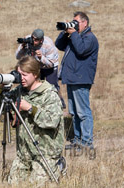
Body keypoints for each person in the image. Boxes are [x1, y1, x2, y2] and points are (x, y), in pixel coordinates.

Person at [0, 56, 65, 184]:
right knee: (14, 185)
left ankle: (59, 165)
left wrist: (31, 108)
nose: (21, 79)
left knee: (37, 185)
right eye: (19, 75)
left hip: (45, 152)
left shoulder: (49, 94)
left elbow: (52, 122)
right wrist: (2, 90)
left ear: (36, 74)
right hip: (24, 153)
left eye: (25, 75)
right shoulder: (19, 91)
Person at [55, 11, 99, 150]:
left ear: (85, 22)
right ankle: (78, 140)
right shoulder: (76, 36)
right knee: (73, 112)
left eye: (76, 22)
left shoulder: (89, 38)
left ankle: (87, 142)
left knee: (83, 112)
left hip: (81, 79)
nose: (74, 24)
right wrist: (65, 31)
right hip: (72, 79)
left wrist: (73, 33)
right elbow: (59, 45)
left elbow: (81, 50)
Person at [16, 29, 66, 109]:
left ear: (41, 40)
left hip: (49, 66)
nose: (33, 41)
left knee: (52, 86)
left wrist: (41, 57)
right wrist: (22, 47)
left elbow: (51, 64)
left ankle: (59, 105)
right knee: (35, 85)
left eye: (36, 40)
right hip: (36, 66)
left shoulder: (48, 44)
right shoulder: (27, 40)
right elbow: (18, 57)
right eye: (33, 38)